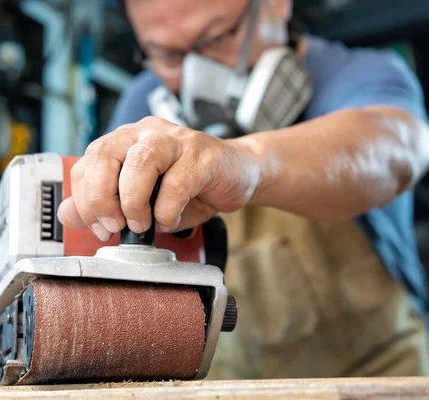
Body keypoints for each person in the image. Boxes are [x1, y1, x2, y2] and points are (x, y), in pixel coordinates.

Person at [57, 0, 429, 378]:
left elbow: (398, 150)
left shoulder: (362, 74)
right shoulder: (142, 104)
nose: (195, 76)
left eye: (217, 38)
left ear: (277, 5)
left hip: (374, 374)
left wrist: (247, 164)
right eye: (167, 55)